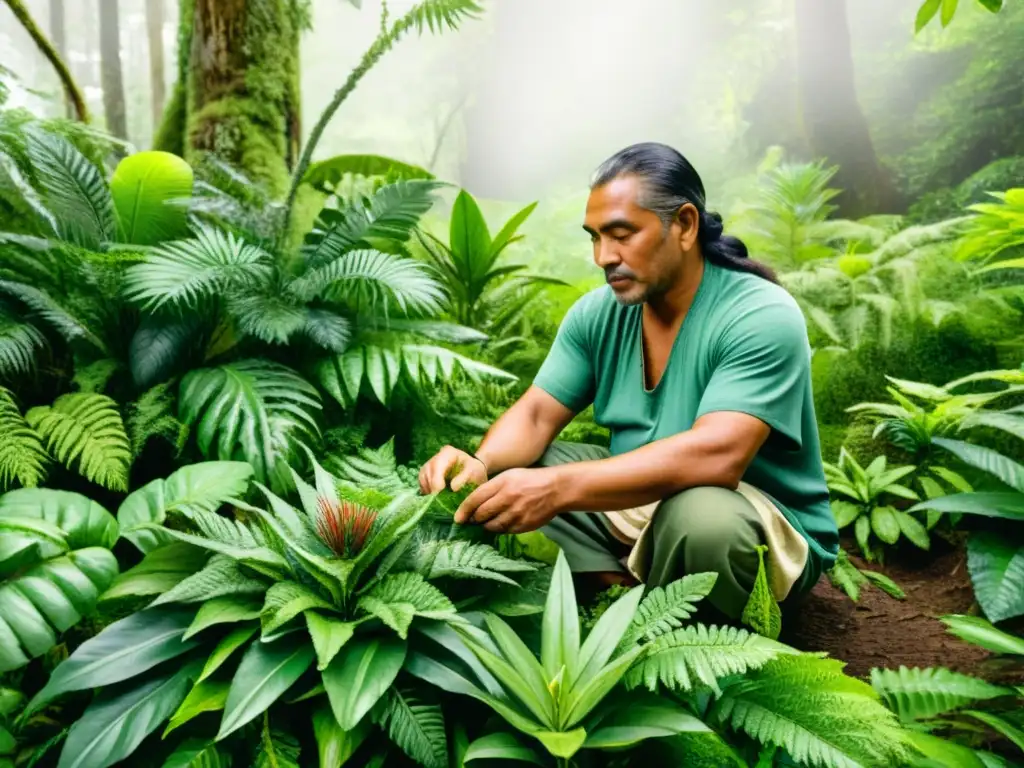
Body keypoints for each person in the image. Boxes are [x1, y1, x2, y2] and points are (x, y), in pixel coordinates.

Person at [418, 142, 838, 622]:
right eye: (594, 237)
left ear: (684, 225)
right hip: (644, 500)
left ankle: (708, 645)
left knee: (700, 518)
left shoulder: (759, 313)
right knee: (513, 474)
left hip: (753, 513)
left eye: (621, 235)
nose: (603, 256)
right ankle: (623, 603)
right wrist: (478, 461)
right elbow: (535, 416)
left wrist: (556, 488)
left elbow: (718, 455)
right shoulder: (599, 314)